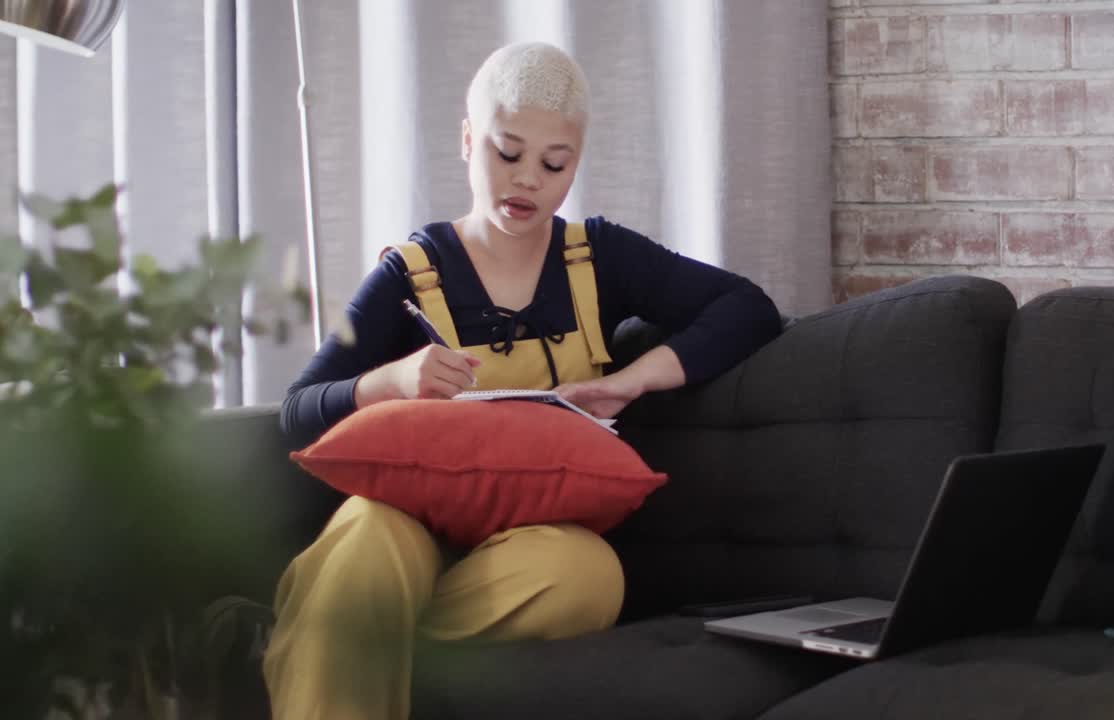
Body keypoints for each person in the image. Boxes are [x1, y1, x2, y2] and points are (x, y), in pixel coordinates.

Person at [264, 41, 782, 719]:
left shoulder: (599, 256)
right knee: (364, 548)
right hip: (404, 521)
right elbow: (297, 411)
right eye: (507, 154)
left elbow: (747, 307)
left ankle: (351, 650)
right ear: (467, 139)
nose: (528, 181)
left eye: (554, 164)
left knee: (587, 575)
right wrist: (391, 380)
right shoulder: (410, 272)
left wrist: (631, 380)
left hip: (534, 535)